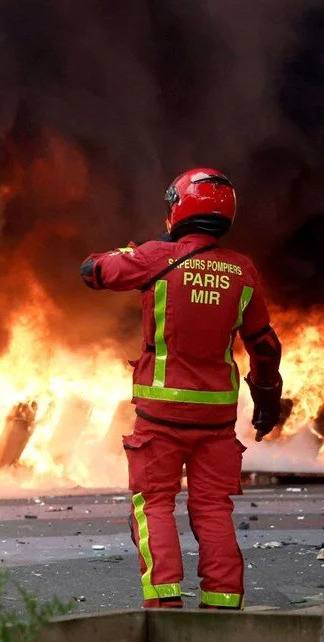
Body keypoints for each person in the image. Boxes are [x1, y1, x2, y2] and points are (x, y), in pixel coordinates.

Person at [80, 168, 283, 610]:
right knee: (213, 509)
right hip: (216, 418)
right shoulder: (243, 271)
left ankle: (165, 605)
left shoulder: (155, 257)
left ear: (178, 208)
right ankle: (223, 607)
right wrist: (268, 399)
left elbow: (93, 271)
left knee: (153, 505)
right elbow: (264, 345)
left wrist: (135, 250)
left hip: (161, 416)